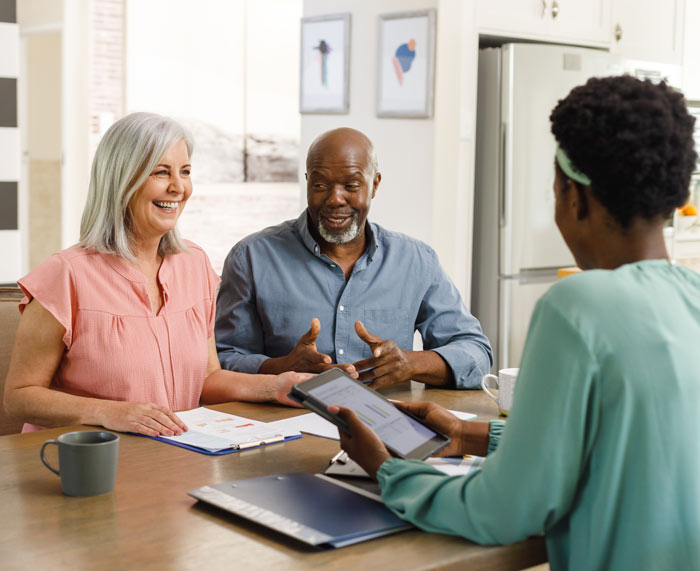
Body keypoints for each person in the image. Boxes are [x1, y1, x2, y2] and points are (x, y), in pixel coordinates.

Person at [330, 76, 700, 570]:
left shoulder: (578, 306)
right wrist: (467, 435)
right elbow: (623, 443)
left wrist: (388, 469)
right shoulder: (692, 296)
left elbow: (504, 509)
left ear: (575, 197)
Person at [3, 112, 308, 437]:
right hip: (83, 463)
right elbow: (19, 397)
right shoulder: (65, 275)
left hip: (174, 455)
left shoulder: (195, 264)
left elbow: (206, 379)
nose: (178, 187)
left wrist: (277, 386)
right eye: (162, 172)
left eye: (185, 172)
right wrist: (107, 413)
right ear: (122, 180)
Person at [215, 127, 493, 390]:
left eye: (351, 185)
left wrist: (410, 364)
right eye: (321, 184)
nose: (335, 199)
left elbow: (476, 353)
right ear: (307, 182)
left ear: (374, 185)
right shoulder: (251, 258)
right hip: (285, 425)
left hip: (387, 425)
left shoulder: (416, 261)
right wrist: (279, 368)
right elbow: (218, 361)